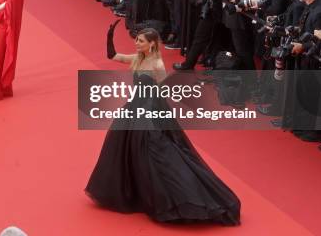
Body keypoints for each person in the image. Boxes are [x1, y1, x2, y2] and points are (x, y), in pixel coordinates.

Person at [85, 24, 241, 225]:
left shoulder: (157, 65)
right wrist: (109, 36)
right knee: (128, 151)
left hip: (148, 112)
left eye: (141, 40)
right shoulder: (137, 59)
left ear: (151, 44)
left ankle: (175, 198)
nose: (136, 43)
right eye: (137, 39)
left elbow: (162, 92)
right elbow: (113, 56)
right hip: (134, 109)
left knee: (155, 155)